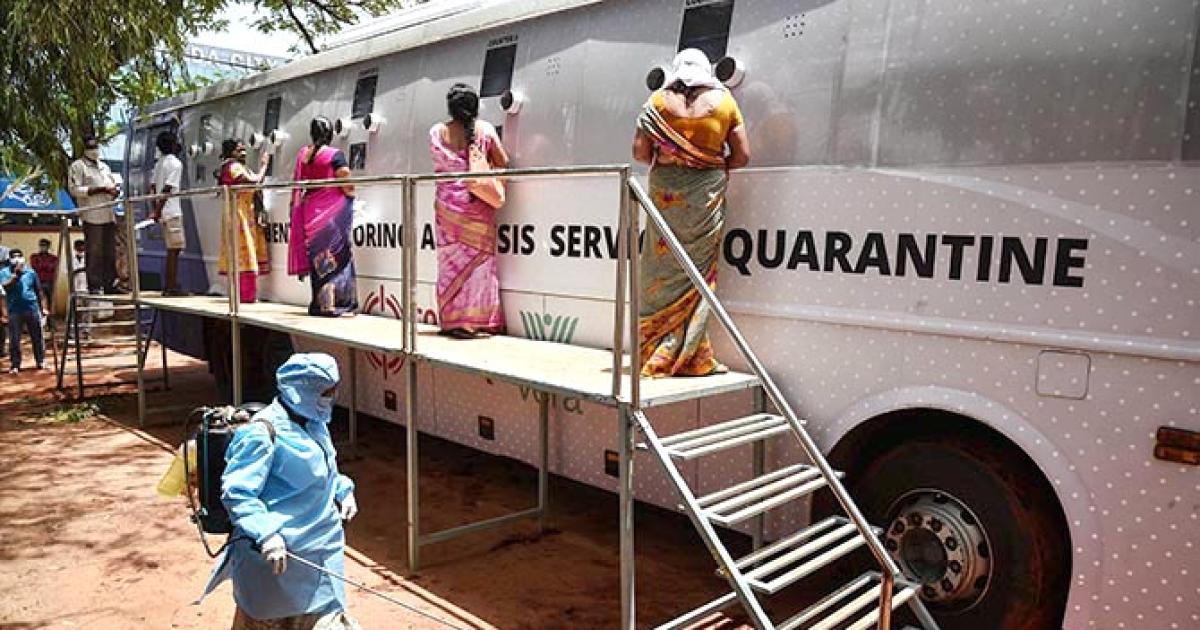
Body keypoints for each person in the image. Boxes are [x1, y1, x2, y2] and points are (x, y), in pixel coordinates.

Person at [201, 352, 360, 630]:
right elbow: (238, 492)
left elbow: (325, 469)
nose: (331, 398)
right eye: (325, 393)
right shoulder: (261, 433)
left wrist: (342, 489)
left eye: (333, 391)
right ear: (300, 390)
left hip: (321, 555)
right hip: (277, 562)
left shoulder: (315, 423)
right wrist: (266, 534)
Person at [631, 48, 751, 377]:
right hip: (704, 198)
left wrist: (673, 155)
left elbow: (640, 153)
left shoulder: (656, 103)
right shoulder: (724, 103)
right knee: (698, 272)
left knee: (659, 270)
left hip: (665, 194)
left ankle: (654, 352)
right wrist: (708, 162)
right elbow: (742, 156)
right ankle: (693, 356)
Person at [429, 83, 510, 339]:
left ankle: (453, 321)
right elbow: (503, 161)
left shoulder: (436, 132)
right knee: (480, 264)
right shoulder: (484, 130)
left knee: (449, 263)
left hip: (447, 208)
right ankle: (477, 321)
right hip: (477, 206)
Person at [288, 118, 358, 317]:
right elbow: (347, 183)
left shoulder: (304, 155)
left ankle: (319, 304)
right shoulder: (334, 155)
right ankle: (333, 304)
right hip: (332, 216)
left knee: (319, 261)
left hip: (310, 214)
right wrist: (352, 196)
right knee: (337, 258)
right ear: (329, 134)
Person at [218, 139, 273, 304]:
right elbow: (253, 182)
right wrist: (264, 166)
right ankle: (246, 296)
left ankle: (246, 295)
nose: (243, 153)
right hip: (238, 214)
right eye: (239, 150)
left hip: (244, 212)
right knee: (244, 254)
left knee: (246, 253)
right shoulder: (233, 167)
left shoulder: (236, 166)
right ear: (231, 152)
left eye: (244, 149)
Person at [68, 135, 121, 294]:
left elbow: (112, 184)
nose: (94, 151)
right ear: (85, 149)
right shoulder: (78, 166)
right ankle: (94, 285)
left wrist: (114, 191)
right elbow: (75, 189)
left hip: (108, 213)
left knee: (110, 251)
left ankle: (110, 284)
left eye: (96, 147)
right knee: (94, 251)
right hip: (91, 214)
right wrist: (99, 189)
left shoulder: (104, 167)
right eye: (91, 147)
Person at [151, 131, 189, 296]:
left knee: (171, 249)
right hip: (172, 210)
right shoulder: (176, 164)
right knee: (174, 250)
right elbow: (167, 189)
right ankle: (171, 286)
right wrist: (157, 211)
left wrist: (155, 208)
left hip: (163, 211)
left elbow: (153, 187)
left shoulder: (159, 164)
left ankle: (170, 284)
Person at [0, 249, 48, 372]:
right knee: (14, 340)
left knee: (37, 337)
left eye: (19, 256)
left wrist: (44, 307)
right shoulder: (4, 272)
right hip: (14, 310)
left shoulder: (31, 272)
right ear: (10, 259)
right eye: (14, 256)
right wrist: (15, 276)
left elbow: (39, 291)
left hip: (32, 308)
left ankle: (41, 360)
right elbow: (4, 287)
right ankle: (15, 364)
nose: (17, 259)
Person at [69, 239, 91, 339]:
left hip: (86, 288)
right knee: (75, 312)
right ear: (75, 248)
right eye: (79, 247)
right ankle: (72, 332)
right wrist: (79, 270)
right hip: (75, 289)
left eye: (82, 246)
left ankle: (86, 332)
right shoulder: (71, 259)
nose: (81, 248)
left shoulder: (89, 259)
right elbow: (68, 272)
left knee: (87, 312)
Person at [30, 238, 58, 310]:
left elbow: (52, 267)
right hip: (37, 281)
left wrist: (42, 265)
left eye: (44, 245)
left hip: (49, 282)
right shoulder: (34, 256)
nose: (43, 247)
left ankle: (49, 315)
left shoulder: (53, 258)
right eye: (41, 245)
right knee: (38, 300)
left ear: (48, 246)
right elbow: (35, 267)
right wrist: (46, 266)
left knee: (50, 300)